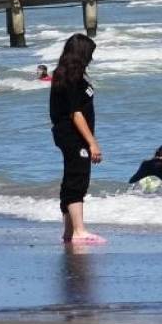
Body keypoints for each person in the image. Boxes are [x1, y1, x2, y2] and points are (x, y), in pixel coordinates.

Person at [50, 33, 104, 245]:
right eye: (89, 54)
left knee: (71, 178)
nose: (91, 58)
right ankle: (79, 231)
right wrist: (92, 142)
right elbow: (76, 113)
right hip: (72, 135)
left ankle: (69, 232)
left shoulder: (68, 74)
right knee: (77, 178)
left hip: (70, 134)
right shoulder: (70, 77)